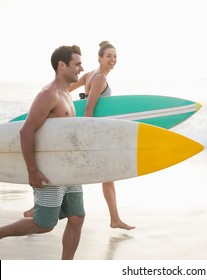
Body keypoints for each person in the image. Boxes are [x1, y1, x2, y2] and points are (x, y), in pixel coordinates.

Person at [23, 41, 135, 230]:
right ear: (99, 57)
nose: (112, 60)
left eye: (115, 56)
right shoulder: (99, 78)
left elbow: (66, 90)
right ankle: (114, 218)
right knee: (105, 174)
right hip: (92, 133)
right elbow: (89, 109)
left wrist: (58, 103)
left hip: (88, 133)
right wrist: (86, 137)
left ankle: (114, 218)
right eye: (108, 56)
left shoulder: (89, 75)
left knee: (103, 181)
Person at [0, 45, 86, 260]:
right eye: (77, 64)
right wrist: (32, 171)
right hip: (50, 173)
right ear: (62, 65)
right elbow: (26, 131)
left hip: (68, 171)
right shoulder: (49, 95)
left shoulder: (66, 94)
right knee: (44, 225)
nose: (81, 68)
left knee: (77, 217)